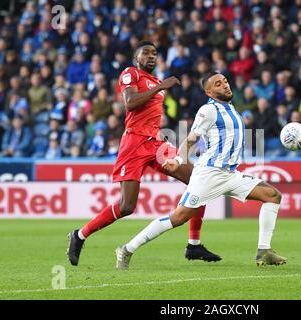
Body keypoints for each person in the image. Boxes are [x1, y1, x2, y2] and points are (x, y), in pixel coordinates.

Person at [67, 41, 221, 266]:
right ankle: (79, 235)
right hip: (133, 144)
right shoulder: (131, 73)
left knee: (199, 181)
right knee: (127, 206)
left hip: (155, 144)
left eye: (155, 53)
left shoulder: (157, 81)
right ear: (136, 57)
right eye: (146, 52)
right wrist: (160, 88)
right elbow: (130, 103)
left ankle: (193, 245)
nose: (151, 56)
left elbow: (149, 115)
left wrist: (158, 131)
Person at [115, 72, 287, 269]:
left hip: (230, 174)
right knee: (179, 217)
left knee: (272, 195)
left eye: (225, 81)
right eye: (218, 84)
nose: (225, 85)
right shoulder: (208, 110)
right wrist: (178, 159)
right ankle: (127, 249)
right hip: (209, 174)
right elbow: (191, 138)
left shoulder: (230, 108)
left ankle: (263, 251)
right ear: (209, 92)